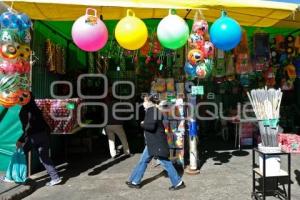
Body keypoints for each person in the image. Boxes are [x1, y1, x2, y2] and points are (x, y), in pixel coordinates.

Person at [126, 94, 185, 190]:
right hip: (152, 142)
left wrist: (142, 124)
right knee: (143, 161)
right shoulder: (152, 110)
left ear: (150, 102)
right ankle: (134, 180)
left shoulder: (153, 111)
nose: (144, 103)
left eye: (145, 101)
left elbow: (151, 126)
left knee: (165, 163)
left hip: (157, 142)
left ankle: (178, 183)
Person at [16, 93, 61, 186]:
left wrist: (21, 140)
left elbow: (28, 127)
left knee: (20, 154)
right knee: (44, 157)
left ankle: (19, 177)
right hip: (43, 135)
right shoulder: (35, 107)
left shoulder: (25, 110)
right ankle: (55, 178)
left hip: (33, 136)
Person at [104, 87, 130, 158]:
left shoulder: (106, 105)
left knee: (111, 140)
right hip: (117, 124)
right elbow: (125, 112)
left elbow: (103, 115)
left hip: (108, 124)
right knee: (123, 138)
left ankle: (113, 154)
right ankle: (126, 152)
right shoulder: (119, 104)